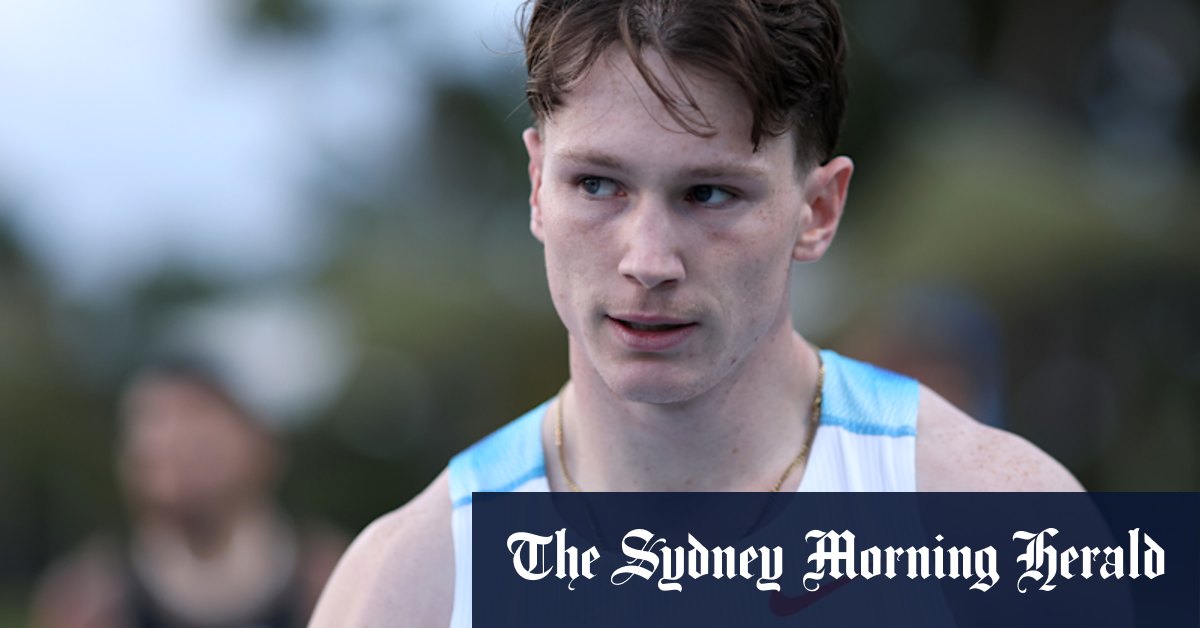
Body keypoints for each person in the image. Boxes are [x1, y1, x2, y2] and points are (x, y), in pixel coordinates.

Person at [311, 0, 1082, 625]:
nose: (648, 261)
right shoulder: (409, 587)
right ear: (537, 182)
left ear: (817, 209)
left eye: (709, 193)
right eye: (598, 184)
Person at [32, 359, 345, 628]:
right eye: (152, 420)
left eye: (197, 412)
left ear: (263, 442)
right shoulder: (85, 601)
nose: (171, 436)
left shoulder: (338, 581)